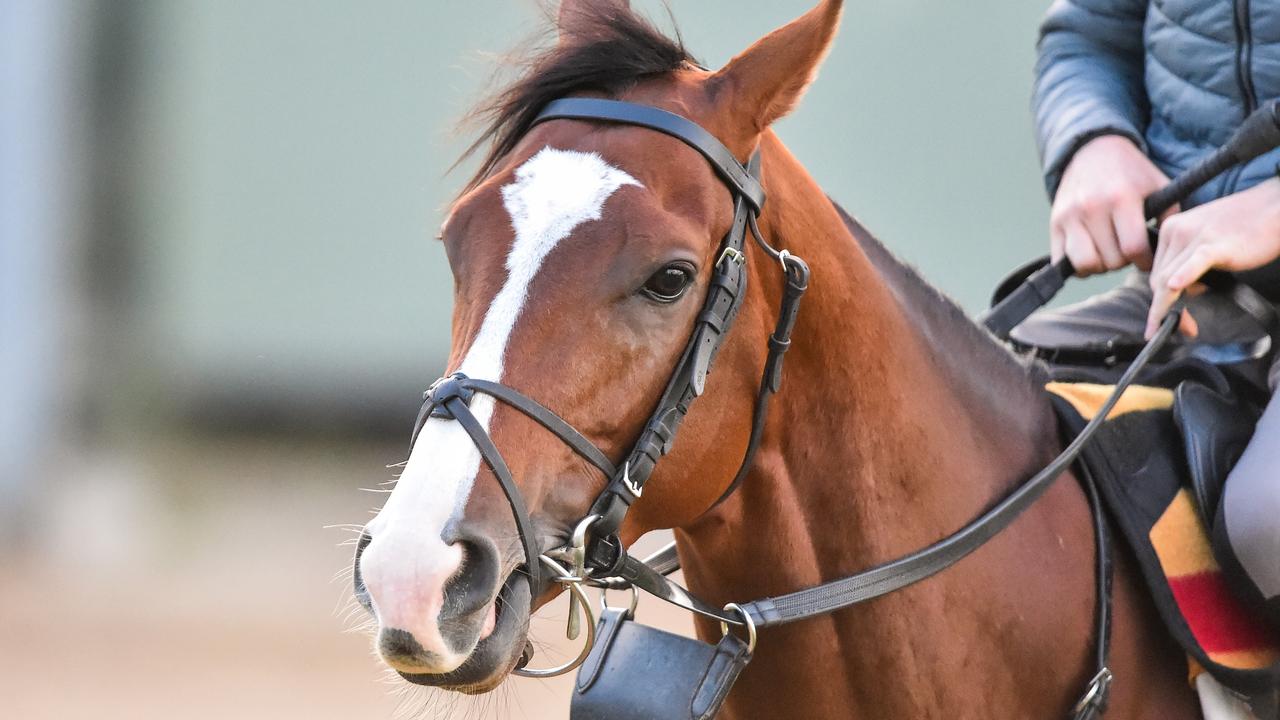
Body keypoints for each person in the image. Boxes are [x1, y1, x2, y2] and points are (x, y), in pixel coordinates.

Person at [1027, 0, 1280, 636]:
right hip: (1187, 292)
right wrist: (1092, 136)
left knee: (1268, 522)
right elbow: (1088, 34)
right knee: (962, 413)